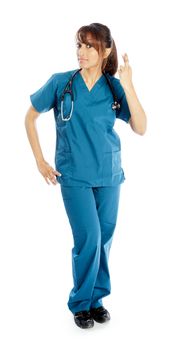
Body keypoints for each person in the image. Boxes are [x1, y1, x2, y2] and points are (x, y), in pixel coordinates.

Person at [25, 23, 147, 329]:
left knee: (104, 240)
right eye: (79, 45)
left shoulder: (112, 88)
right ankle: (80, 302)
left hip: (109, 175)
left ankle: (96, 300)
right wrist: (39, 160)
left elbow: (141, 127)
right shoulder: (61, 83)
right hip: (74, 176)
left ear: (105, 51)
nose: (82, 52)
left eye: (89, 46)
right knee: (89, 238)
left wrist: (129, 85)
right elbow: (29, 117)